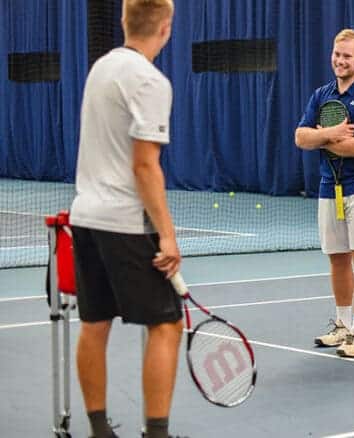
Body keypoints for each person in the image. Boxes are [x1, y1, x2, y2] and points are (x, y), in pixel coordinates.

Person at [68, 1, 182, 437]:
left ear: (123, 20)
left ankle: (99, 430)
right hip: (125, 224)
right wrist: (168, 236)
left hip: (86, 218)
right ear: (166, 26)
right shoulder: (149, 81)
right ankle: (156, 433)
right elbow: (144, 166)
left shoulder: (101, 68)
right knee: (167, 324)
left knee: (94, 323)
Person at [295, 29, 354, 358]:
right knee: (337, 259)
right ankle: (342, 325)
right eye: (337, 54)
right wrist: (334, 133)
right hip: (328, 185)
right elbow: (300, 137)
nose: (340, 60)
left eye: (347, 56)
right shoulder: (321, 95)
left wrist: (321, 137)